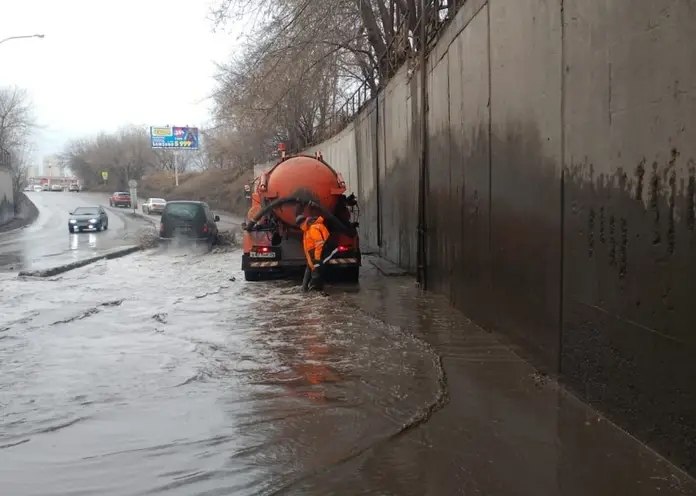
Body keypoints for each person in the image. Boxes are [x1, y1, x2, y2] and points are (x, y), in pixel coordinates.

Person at [297, 214, 331, 291]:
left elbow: (319, 244)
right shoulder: (309, 228)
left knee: (316, 272)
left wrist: (317, 258)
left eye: (300, 225)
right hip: (313, 254)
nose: (300, 227)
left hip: (316, 254)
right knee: (311, 269)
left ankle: (315, 291)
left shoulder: (312, 228)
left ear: (302, 223)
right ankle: (305, 289)